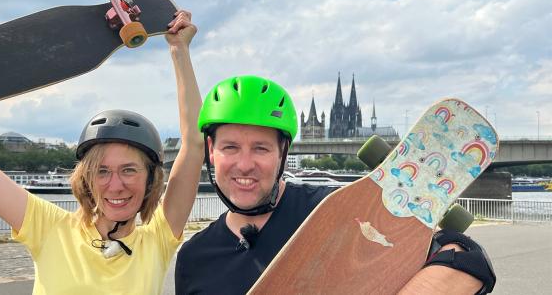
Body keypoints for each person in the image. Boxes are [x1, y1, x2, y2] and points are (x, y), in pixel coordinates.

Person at [0, 10, 204, 294]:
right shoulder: (48, 228)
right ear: (86, 179)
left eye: (129, 170)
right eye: (102, 171)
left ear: (150, 180)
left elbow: (194, 142)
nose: (115, 185)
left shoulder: (157, 238)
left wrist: (179, 50)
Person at [175, 75, 496, 294]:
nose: (245, 164)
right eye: (230, 147)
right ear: (211, 153)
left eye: (261, 148)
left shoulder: (337, 210)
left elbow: (470, 257)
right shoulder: (194, 258)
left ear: (282, 154)